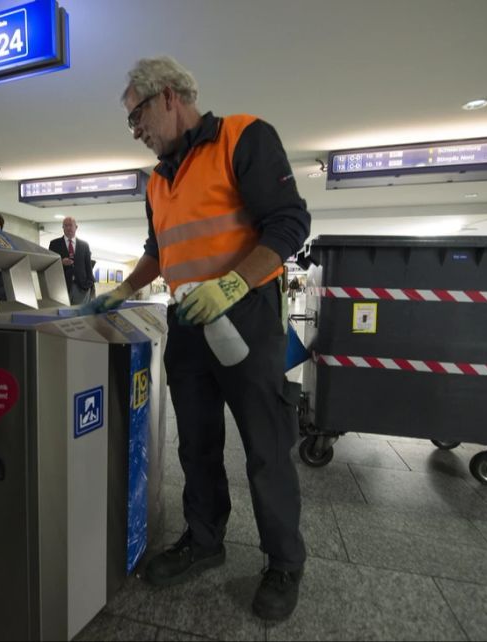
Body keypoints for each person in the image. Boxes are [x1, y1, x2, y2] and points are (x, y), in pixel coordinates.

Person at [88, 56, 311, 620]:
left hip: (247, 315)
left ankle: (284, 561)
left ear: (167, 97)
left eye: (136, 115)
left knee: (265, 448)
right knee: (195, 443)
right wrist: (124, 291)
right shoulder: (157, 181)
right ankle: (205, 539)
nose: (135, 130)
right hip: (188, 322)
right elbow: (159, 253)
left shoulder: (243, 137)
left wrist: (234, 283)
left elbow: (288, 222)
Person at [48, 217, 95, 304]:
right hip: (62, 287)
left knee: (81, 315)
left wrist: (90, 283)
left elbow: (88, 266)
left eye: (70, 225)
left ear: (76, 227)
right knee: (63, 314)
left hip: (82, 288)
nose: (68, 228)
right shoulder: (54, 244)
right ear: (63, 228)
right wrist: (61, 262)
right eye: (66, 225)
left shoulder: (84, 245)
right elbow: (50, 265)